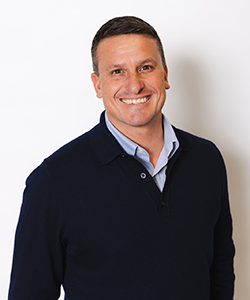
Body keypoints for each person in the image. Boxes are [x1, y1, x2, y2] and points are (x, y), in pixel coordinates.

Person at [8, 16, 235, 299]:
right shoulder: (53, 182)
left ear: (164, 75)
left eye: (146, 68)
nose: (134, 85)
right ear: (98, 84)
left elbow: (221, 267)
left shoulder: (207, 160)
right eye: (117, 72)